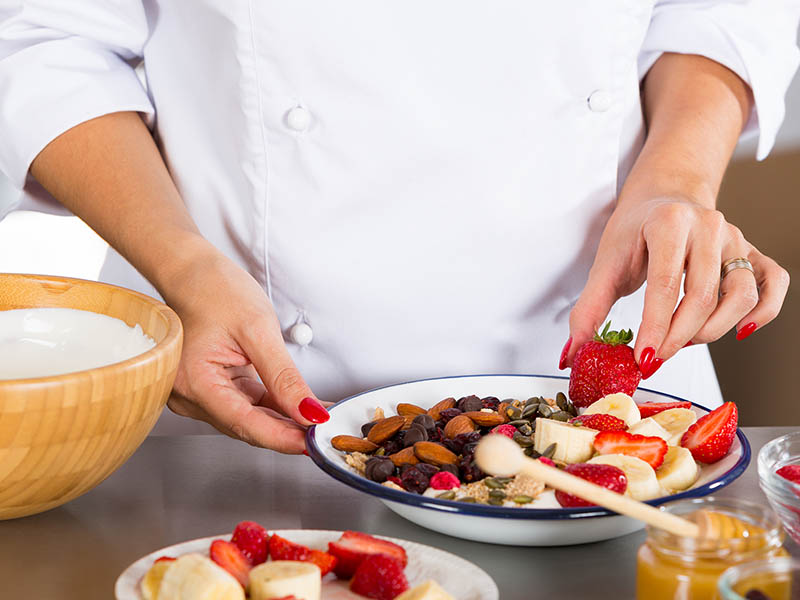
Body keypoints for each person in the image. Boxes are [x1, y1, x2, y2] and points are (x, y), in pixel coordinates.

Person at [0, 2, 797, 454]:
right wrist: (184, 270)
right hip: (255, 388)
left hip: (606, 411)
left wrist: (676, 181)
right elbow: (45, 41)